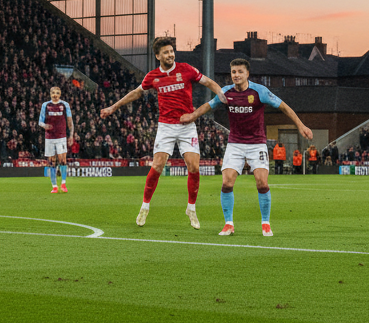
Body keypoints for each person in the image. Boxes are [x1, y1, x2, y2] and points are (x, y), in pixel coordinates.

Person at [101, 36, 226, 228]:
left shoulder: (186, 69)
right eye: (166, 52)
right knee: (158, 166)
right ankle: (145, 207)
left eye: (171, 51)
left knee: (193, 167)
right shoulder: (152, 76)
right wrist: (113, 107)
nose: (170, 54)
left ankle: (191, 209)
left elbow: (208, 82)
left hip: (187, 126)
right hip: (166, 126)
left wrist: (220, 92)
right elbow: (136, 92)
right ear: (158, 55)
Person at [181, 58, 312, 237]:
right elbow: (208, 106)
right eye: (233, 72)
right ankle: (228, 224)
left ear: (247, 74)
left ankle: (265, 223)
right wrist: (193, 115)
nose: (236, 75)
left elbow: (284, 107)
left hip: (256, 143)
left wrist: (301, 125)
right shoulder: (225, 93)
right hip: (235, 144)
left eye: (240, 72)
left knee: (262, 182)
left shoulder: (259, 92)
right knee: (227, 183)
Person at [39, 86, 74, 194]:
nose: (55, 95)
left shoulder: (65, 105)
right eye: (53, 93)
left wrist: (71, 135)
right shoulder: (45, 105)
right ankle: (54, 186)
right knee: (51, 162)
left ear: (60, 94)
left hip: (61, 137)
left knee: (63, 160)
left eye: (57, 93)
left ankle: (63, 183)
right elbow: (40, 122)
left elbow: (70, 121)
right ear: (50, 94)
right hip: (49, 138)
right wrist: (45, 126)